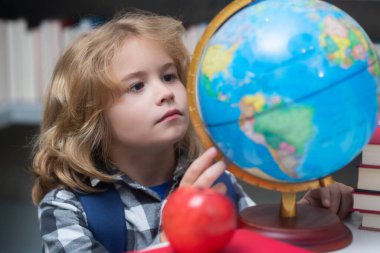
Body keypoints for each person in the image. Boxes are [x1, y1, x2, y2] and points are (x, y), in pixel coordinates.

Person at [31, 10, 353, 253]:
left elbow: (250, 244)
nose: (165, 92)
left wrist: (304, 215)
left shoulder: (215, 182)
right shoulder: (66, 208)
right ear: (91, 115)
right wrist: (171, 241)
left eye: (169, 76)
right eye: (137, 85)